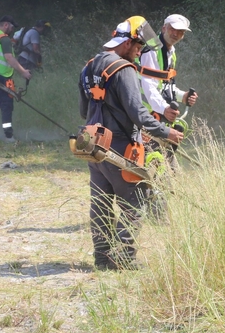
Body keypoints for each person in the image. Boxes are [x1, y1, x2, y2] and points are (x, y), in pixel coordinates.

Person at [78, 16, 184, 270]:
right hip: (120, 146)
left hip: (93, 144)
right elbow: (137, 111)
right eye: (137, 48)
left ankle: (102, 258)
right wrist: (164, 132)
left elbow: (84, 111)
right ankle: (125, 258)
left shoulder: (89, 66)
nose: (138, 54)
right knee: (135, 200)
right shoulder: (123, 69)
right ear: (126, 43)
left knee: (101, 202)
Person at [139, 14, 198, 125]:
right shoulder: (151, 50)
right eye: (172, 29)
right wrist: (164, 108)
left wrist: (183, 96)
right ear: (164, 28)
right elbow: (149, 86)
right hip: (140, 114)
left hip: (151, 114)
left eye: (180, 31)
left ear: (183, 35)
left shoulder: (170, 52)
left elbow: (164, 85)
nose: (176, 34)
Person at [0, 15, 32, 142]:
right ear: (5, 25)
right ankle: (8, 136)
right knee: (6, 105)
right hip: (1, 76)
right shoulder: (4, 39)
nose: (12, 29)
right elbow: (9, 58)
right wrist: (23, 72)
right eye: (11, 27)